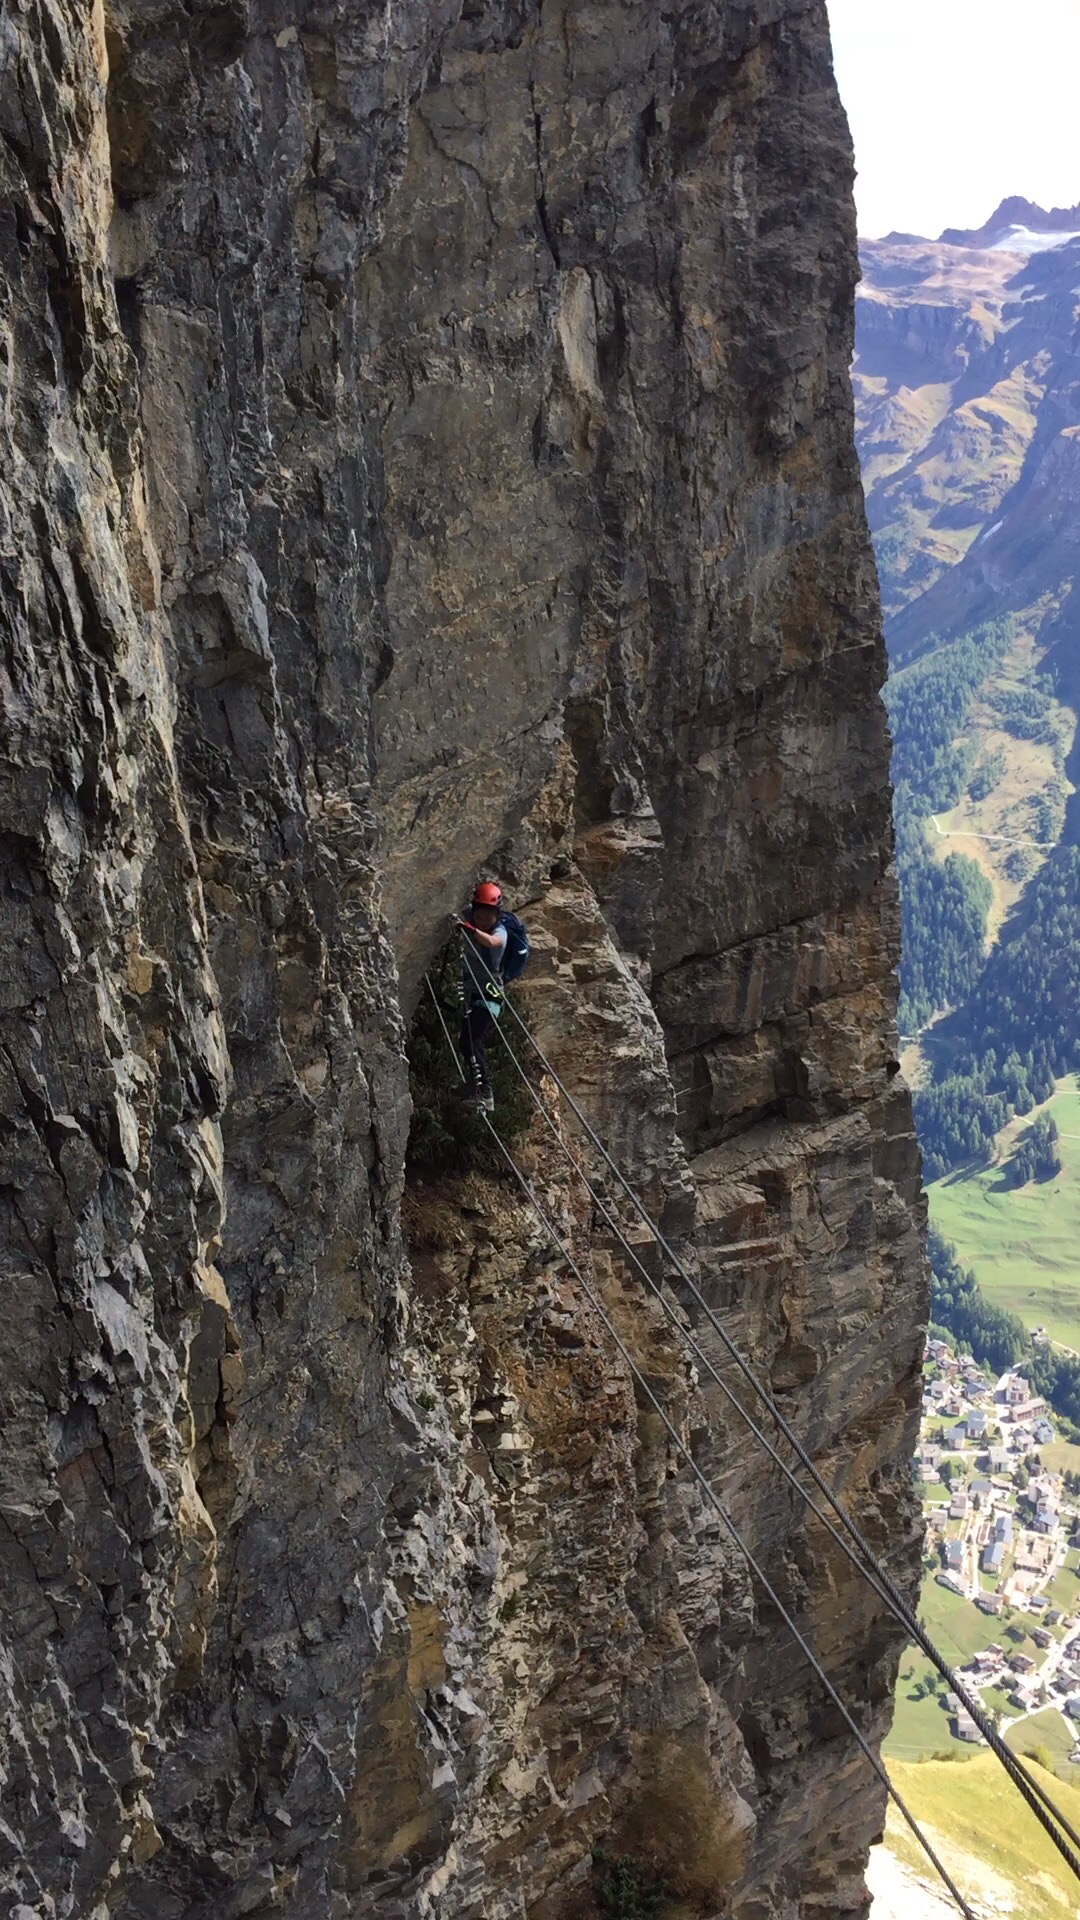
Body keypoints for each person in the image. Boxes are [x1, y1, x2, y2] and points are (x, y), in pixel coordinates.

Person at [454, 881, 507, 1112]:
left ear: (497, 914)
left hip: (490, 996)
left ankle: (485, 1092)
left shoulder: (500, 931)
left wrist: (473, 930)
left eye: (489, 914)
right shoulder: (470, 918)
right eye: (480, 912)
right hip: (474, 992)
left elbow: (495, 942)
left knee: (472, 1038)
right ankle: (476, 1084)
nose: (483, 917)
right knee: (466, 1041)